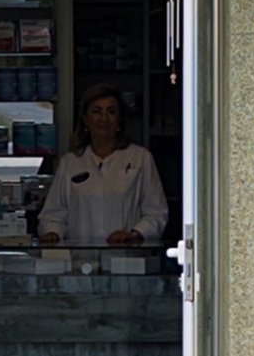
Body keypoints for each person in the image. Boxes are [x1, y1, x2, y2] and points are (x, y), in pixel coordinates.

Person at [37, 84, 169, 246]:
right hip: (81, 259)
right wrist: (52, 232)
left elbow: (156, 213)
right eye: (96, 111)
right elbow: (53, 214)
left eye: (111, 112)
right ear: (85, 119)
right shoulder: (70, 162)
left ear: (120, 119)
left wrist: (134, 233)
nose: (104, 119)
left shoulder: (140, 158)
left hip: (127, 258)